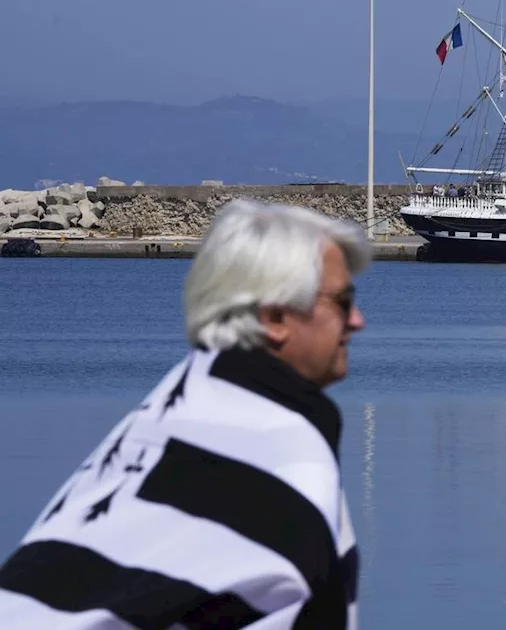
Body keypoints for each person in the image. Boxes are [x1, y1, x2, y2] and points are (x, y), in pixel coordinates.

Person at [0, 199, 369, 628]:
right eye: (343, 301)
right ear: (275, 317)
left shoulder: (168, 410)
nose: (357, 321)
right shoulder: (283, 451)